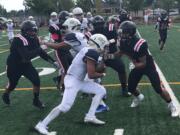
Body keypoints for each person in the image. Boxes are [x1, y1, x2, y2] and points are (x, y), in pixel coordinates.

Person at [35, 34, 108, 134]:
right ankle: (41, 125)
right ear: (99, 44)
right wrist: (102, 74)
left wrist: (101, 64)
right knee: (65, 106)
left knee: (101, 90)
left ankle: (90, 116)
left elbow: (92, 69)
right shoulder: (91, 52)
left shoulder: (88, 50)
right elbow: (91, 75)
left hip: (78, 80)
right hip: (73, 81)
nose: (105, 48)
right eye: (104, 45)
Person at [105, 21, 179, 117]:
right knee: (131, 87)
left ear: (130, 33)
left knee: (158, 88)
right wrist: (107, 57)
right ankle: (139, 97)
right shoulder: (123, 41)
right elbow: (120, 53)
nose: (121, 34)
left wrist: (134, 64)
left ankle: (171, 105)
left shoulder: (140, 43)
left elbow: (143, 63)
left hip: (148, 66)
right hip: (137, 64)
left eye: (123, 32)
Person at [2, 20, 57, 108]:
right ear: (25, 31)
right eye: (31, 31)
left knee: (36, 80)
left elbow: (41, 53)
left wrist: (53, 62)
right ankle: (6, 93)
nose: (33, 32)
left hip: (25, 65)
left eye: (34, 30)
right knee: (13, 84)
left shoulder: (34, 38)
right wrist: (40, 49)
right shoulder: (18, 39)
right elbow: (26, 56)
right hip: (14, 66)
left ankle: (36, 100)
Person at [91, 15, 130, 97]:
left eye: (100, 24)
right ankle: (98, 91)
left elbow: (115, 39)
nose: (98, 26)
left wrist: (105, 42)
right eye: (96, 25)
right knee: (95, 73)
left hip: (110, 54)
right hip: (98, 57)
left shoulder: (110, 28)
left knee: (121, 68)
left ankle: (124, 88)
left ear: (104, 23)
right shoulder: (91, 32)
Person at [48, 10, 72, 93]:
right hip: (59, 50)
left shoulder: (69, 25)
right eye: (67, 18)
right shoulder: (55, 27)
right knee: (65, 70)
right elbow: (55, 39)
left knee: (72, 67)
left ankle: (58, 80)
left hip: (67, 49)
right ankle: (63, 87)